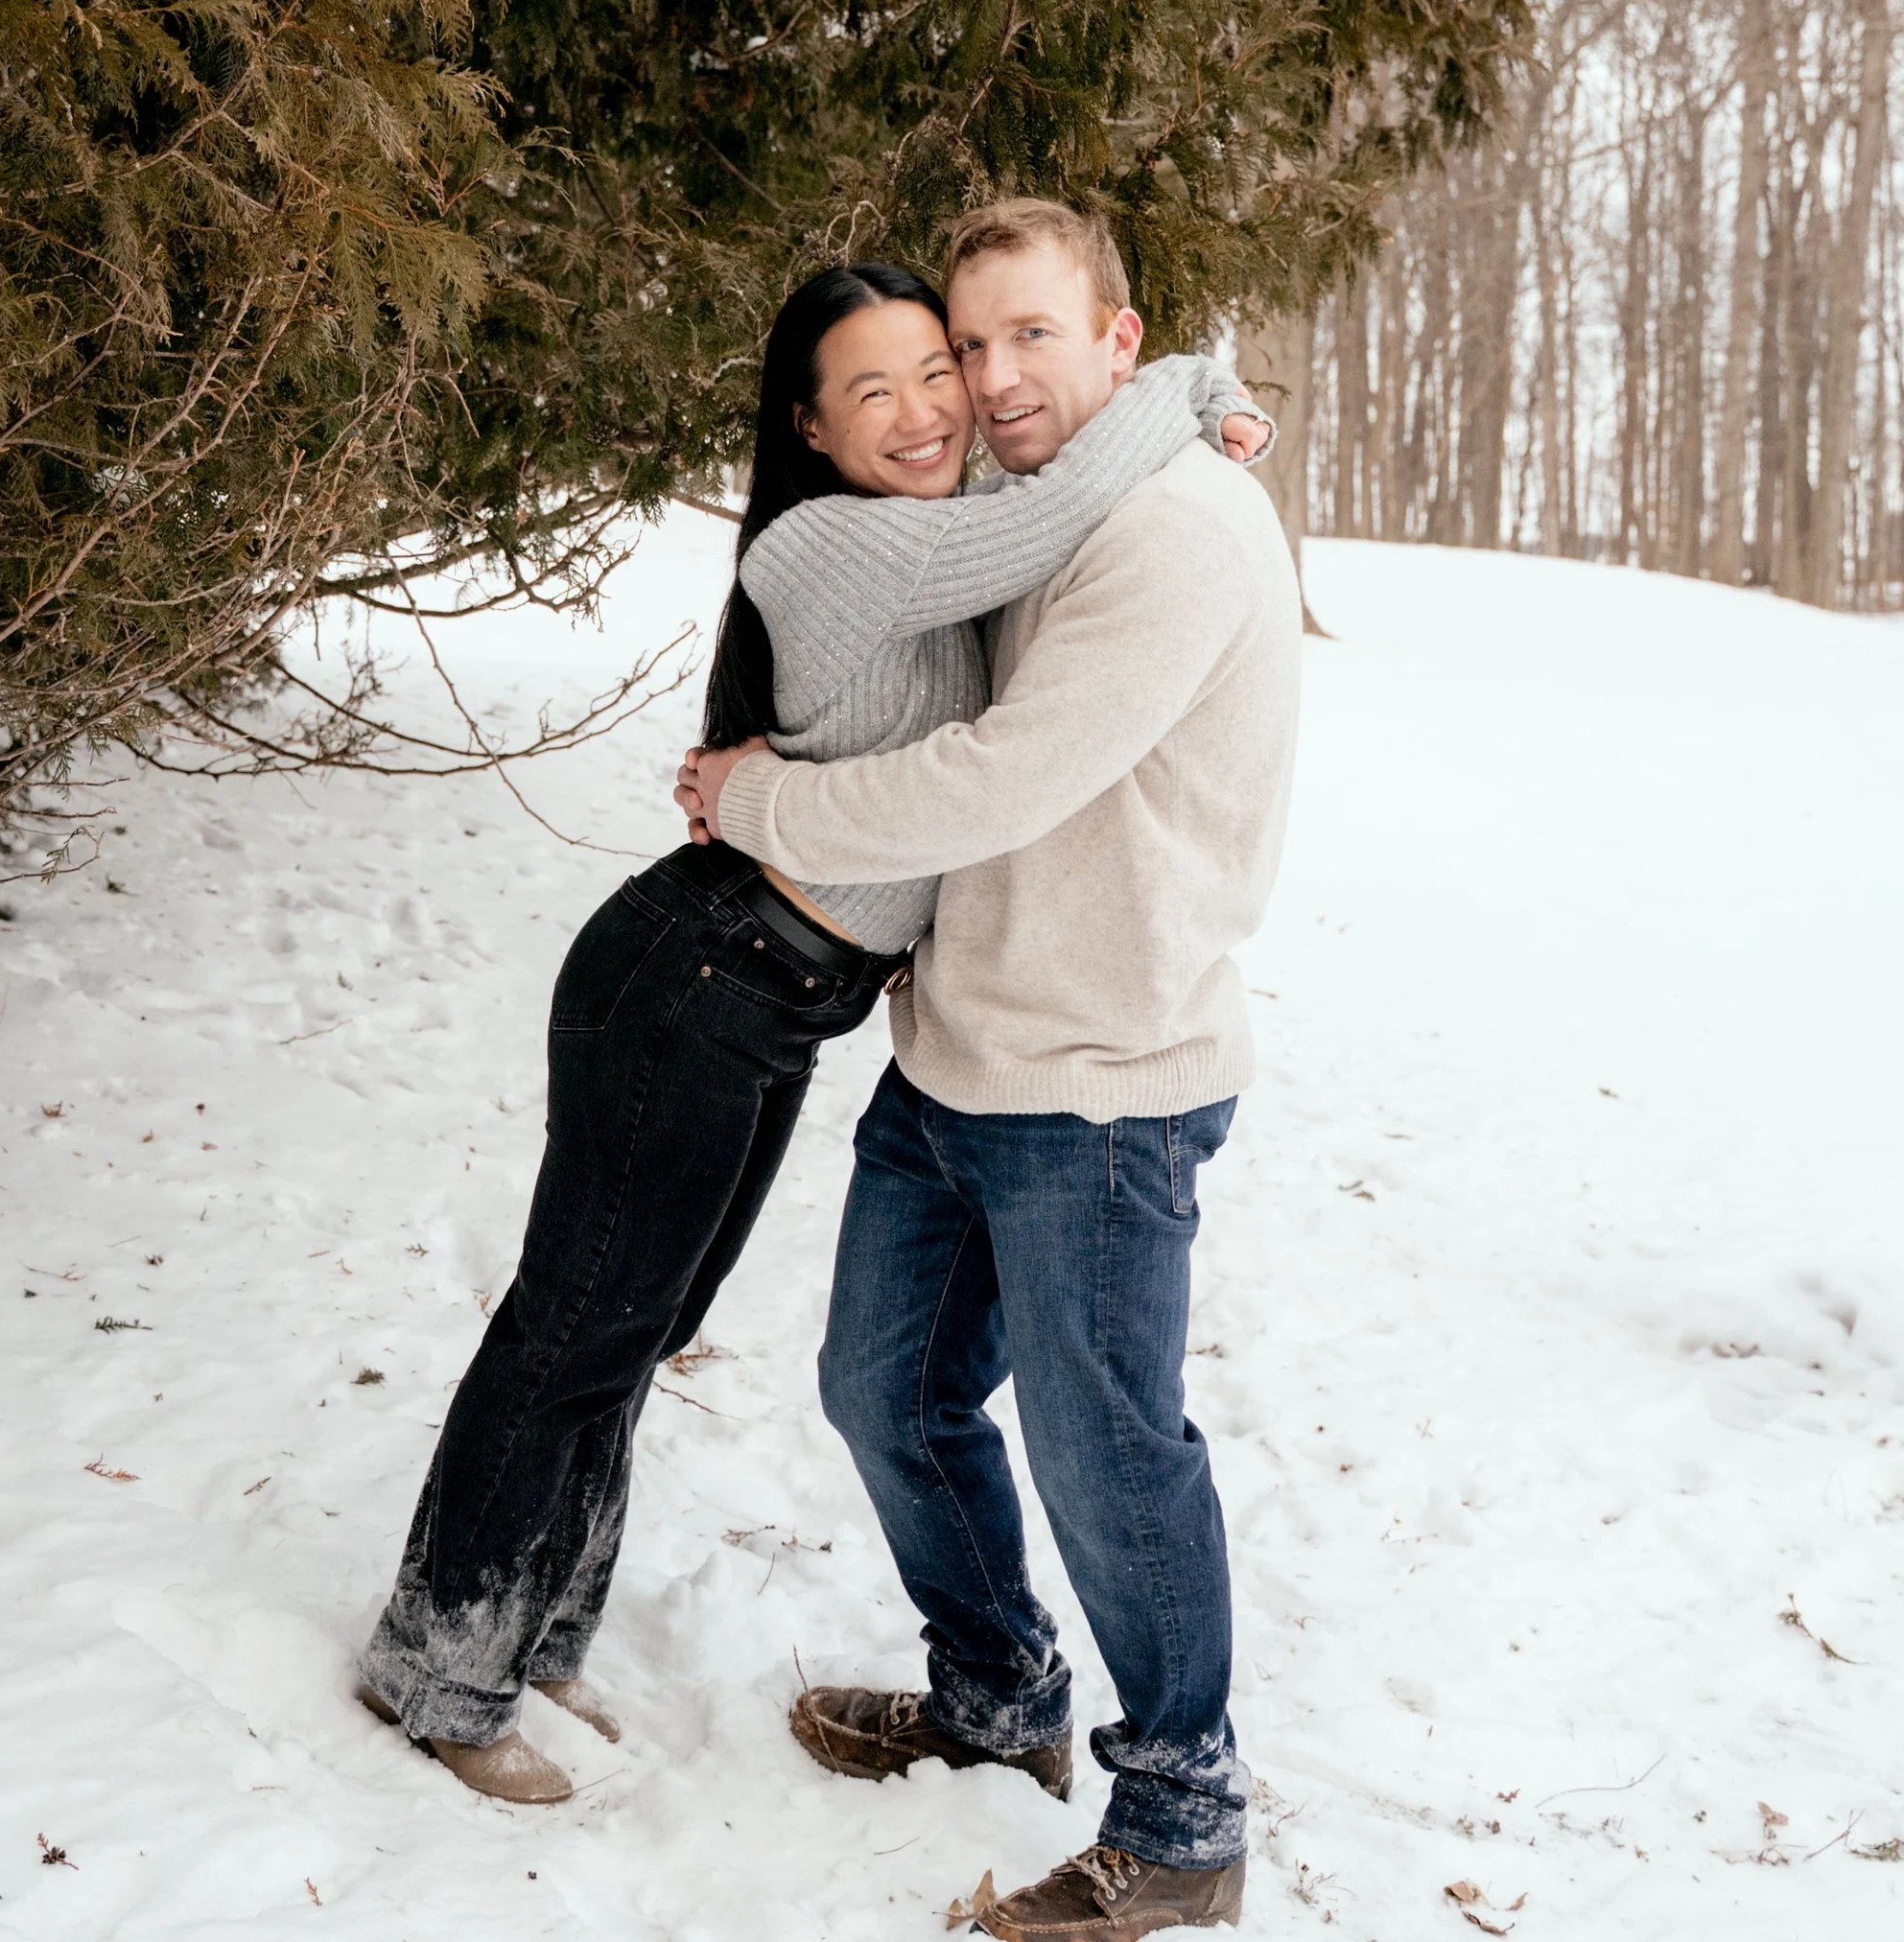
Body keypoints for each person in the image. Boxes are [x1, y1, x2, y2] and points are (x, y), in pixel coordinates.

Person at [357, 257, 1266, 1805]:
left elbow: (1055, 547)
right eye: (880, 387)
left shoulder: (941, 544)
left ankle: (539, 1624)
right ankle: (440, 1666)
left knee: (638, 1322)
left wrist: (1192, 399)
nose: (934, 407)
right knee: (579, 1322)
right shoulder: (840, 547)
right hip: (698, 981)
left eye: (944, 368)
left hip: (779, 1001)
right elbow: (1044, 515)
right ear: (810, 426)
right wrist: (1188, 386)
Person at [682, 196, 1304, 1942]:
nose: (992, 376)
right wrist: (1209, 395)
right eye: (971, 342)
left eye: (1035, 335)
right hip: (961, 1050)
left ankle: (1182, 1810)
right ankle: (1000, 1689)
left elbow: (992, 779)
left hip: (1102, 1081)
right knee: (881, 1390)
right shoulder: (1033, 506)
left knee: (1111, 1455)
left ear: (1120, 339)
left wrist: (758, 800)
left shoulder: (1174, 531)